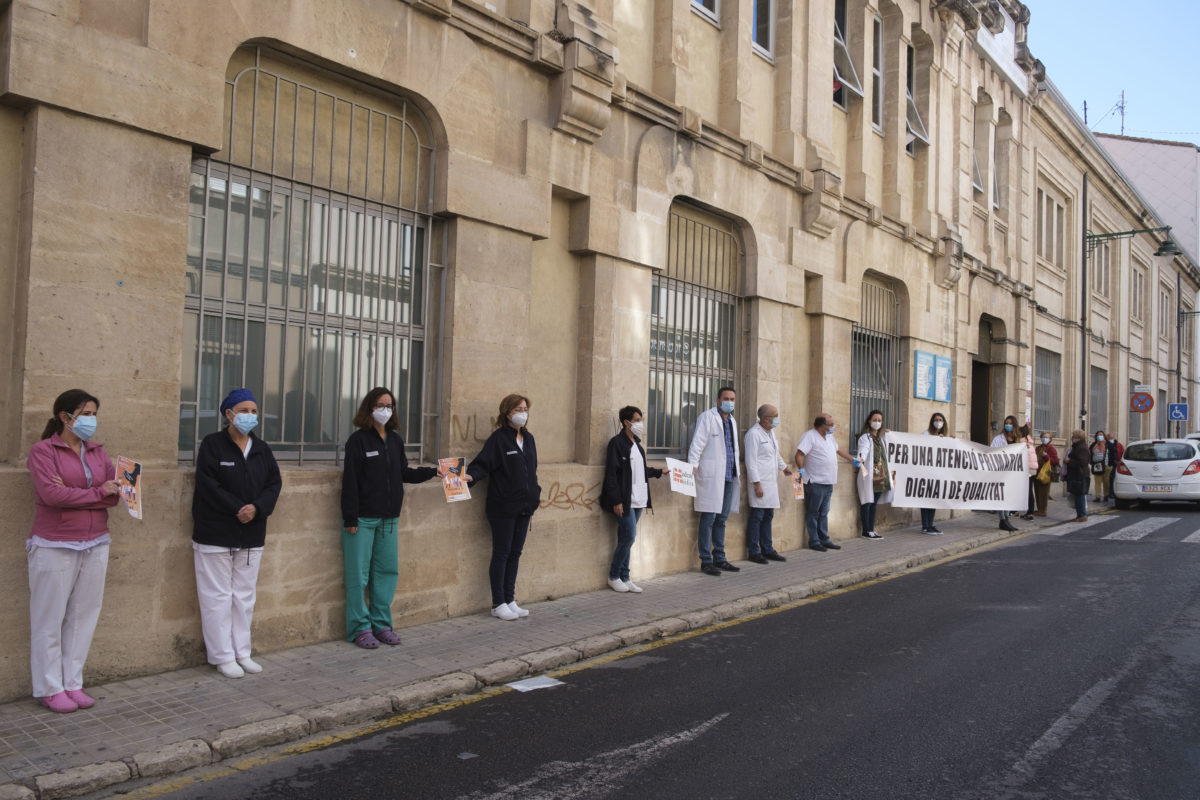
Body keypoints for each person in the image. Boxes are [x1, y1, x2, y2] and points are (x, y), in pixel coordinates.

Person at [25, 389, 120, 713]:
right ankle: (49, 687)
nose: (92, 420)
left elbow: (114, 495)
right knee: (48, 619)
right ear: (66, 417)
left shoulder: (97, 451)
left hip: (95, 542)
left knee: (83, 616)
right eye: (86, 414)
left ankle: (72, 683)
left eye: (95, 413)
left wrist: (81, 492)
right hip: (55, 544)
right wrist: (96, 491)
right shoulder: (42, 451)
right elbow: (51, 496)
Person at [192, 388, 282, 678]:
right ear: (228, 414)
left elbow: (273, 484)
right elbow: (208, 485)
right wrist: (236, 508)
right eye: (243, 410)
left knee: (244, 597)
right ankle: (221, 655)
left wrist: (256, 508)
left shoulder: (262, 449)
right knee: (217, 597)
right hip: (216, 534)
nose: (250, 416)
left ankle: (242, 652)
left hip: (251, 534)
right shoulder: (212, 445)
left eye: (254, 411)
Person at [341, 387, 439, 649]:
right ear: (369, 408)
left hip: (389, 520)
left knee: (386, 572)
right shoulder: (358, 441)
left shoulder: (395, 440)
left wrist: (433, 472)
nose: (386, 410)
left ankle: (381, 624)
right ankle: (359, 628)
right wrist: (350, 518)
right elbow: (349, 482)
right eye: (380, 405)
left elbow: (403, 472)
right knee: (358, 577)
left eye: (390, 406)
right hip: (361, 520)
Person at [467, 394, 540, 620]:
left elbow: (532, 470)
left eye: (525, 408)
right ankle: (498, 603)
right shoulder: (498, 439)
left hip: (525, 506)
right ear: (507, 412)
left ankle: (510, 599)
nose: (523, 413)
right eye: (518, 408)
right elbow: (483, 464)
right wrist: (470, 476)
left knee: (515, 554)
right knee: (502, 553)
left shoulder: (529, 439)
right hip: (503, 507)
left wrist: (535, 493)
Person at [600, 406, 663, 592]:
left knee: (625, 537)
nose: (640, 424)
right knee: (629, 537)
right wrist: (616, 501)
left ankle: (625, 577)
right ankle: (613, 575)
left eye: (640, 419)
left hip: (639, 499)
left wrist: (660, 472)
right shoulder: (616, 443)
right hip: (624, 500)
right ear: (626, 422)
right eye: (636, 420)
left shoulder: (637, 445)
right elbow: (611, 474)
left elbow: (641, 471)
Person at [687, 387, 742, 576]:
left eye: (732, 399)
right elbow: (697, 443)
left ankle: (720, 557)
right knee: (708, 518)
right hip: (712, 476)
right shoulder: (707, 417)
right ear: (718, 400)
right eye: (726, 398)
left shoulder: (732, 421)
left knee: (722, 519)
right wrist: (692, 465)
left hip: (729, 476)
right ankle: (706, 560)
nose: (729, 402)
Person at [795, 413, 860, 552]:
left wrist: (852, 459)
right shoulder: (810, 436)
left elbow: (838, 450)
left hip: (828, 481)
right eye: (830, 424)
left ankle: (824, 539)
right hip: (815, 481)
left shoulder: (829, 436)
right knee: (813, 513)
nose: (833, 427)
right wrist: (801, 469)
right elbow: (799, 454)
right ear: (822, 426)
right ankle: (814, 540)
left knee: (824, 512)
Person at [743, 404, 793, 564]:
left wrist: (784, 467)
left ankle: (767, 548)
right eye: (775, 415)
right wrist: (757, 484)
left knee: (768, 516)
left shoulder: (770, 433)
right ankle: (754, 551)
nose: (777, 418)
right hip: (760, 482)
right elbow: (750, 462)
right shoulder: (753, 434)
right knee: (757, 516)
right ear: (766, 418)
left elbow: (775, 455)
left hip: (771, 483)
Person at [855, 411, 893, 540]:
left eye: (880, 420)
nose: (877, 422)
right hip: (870, 474)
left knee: (873, 502)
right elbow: (863, 450)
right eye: (875, 419)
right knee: (867, 502)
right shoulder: (865, 437)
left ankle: (871, 529)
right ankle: (866, 530)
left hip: (880, 474)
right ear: (869, 421)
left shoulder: (880, 439)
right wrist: (861, 458)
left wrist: (890, 435)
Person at [919, 413, 949, 534]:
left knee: (934, 499)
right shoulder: (926, 434)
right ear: (932, 422)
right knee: (926, 499)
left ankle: (931, 524)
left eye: (940, 420)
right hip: (926, 472)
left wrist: (950, 440)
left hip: (938, 473)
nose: (938, 422)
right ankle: (925, 526)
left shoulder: (943, 436)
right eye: (936, 420)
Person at [991, 415, 1019, 531]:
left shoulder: (1018, 439)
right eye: (1006, 423)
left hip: (1013, 473)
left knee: (1009, 496)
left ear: (1014, 425)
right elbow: (992, 451)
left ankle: (1007, 518)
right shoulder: (998, 439)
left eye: (1010, 423)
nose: (1008, 425)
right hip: (1001, 472)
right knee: (1002, 496)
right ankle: (1002, 520)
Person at [1066, 429, 1091, 521]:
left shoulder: (1082, 448)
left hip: (1080, 475)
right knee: (1077, 495)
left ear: (1078, 438)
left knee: (1080, 495)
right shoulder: (1077, 446)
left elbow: (1083, 462)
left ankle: (1082, 515)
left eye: (1074, 436)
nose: (1072, 438)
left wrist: (1069, 461)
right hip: (1076, 474)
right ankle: (1079, 515)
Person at [1033, 431, 1059, 517]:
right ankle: (1039, 509)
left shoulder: (1051, 448)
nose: (1045, 438)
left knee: (1044, 492)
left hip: (1046, 473)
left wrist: (1046, 456)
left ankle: (1043, 511)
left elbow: (1055, 461)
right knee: (1037, 492)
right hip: (1037, 472)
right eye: (1043, 436)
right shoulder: (1038, 448)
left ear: (1050, 439)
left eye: (1047, 437)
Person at [1019, 424, 1038, 521]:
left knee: (1028, 491)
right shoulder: (1030, 443)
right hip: (1033, 469)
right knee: (1029, 490)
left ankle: (1030, 512)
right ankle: (1030, 511)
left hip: (1027, 470)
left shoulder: (1022, 443)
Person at [1090, 431, 1111, 502]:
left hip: (1106, 465)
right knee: (1097, 481)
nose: (1100, 436)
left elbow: (1111, 453)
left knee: (1106, 481)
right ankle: (1098, 496)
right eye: (1098, 435)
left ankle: (1106, 495)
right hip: (1097, 465)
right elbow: (1090, 453)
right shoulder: (1093, 444)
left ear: (1104, 436)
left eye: (1101, 435)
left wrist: (1102, 444)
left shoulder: (1108, 444)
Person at [1105, 434, 1123, 502]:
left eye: (1112, 437)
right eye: (1109, 438)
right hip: (1108, 464)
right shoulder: (1106, 445)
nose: (1111, 439)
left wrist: (1120, 461)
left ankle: (1113, 493)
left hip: (1116, 464)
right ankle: (1109, 493)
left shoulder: (1119, 445)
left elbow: (1122, 453)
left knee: (1114, 479)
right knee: (1109, 479)